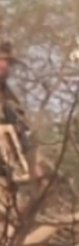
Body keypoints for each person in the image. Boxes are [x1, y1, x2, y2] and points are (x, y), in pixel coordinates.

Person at [0, 41, 32, 213]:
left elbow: (22, 130)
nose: (5, 66)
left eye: (7, 62)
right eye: (2, 60)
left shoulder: (9, 98)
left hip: (9, 167)